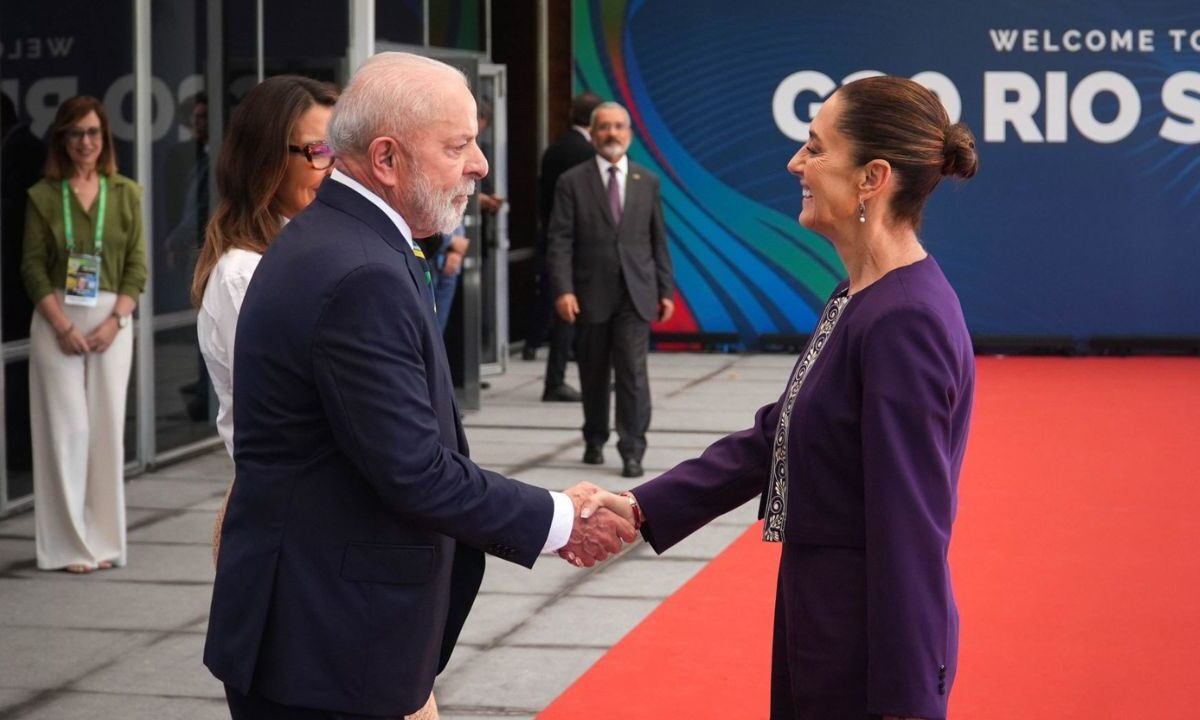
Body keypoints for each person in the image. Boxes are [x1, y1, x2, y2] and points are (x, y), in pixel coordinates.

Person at [203, 52, 634, 719]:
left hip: (317, 633)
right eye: (459, 144)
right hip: (326, 646)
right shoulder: (358, 271)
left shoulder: (344, 240)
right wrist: (557, 518)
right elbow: (414, 471)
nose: (481, 164)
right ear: (386, 158)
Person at [582, 76, 979, 719]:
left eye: (816, 148)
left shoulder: (906, 320)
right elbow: (780, 435)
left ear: (872, 177)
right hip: (820, 627)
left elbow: (911, 531)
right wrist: (639, 508)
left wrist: (909, 702)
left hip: (862, 658)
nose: (796, 162)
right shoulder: (861, 297)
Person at [190, 75, 339, 561]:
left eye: (337, 151)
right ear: (266, 160)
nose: (332, 169)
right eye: (317, 151)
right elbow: (290, 416)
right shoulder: (244, 275)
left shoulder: (303, 249)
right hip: (291, 527)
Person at [20, 96, 147, 574]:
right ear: (62, 140)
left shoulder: (127, 193)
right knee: (65, 433)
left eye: (93, 133)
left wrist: (116, 321)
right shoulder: (43, 196)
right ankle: (69, 545)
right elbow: (31, 268)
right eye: (76, 134)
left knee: (107, 433)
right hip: (58, 319)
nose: (86, 143)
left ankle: (104, 541)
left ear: (105, 137)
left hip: (113, 318)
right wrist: (63, 326)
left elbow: (138, 265)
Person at [546, 101, 674, 479]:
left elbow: (657, 240)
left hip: (636, 294)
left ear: (629, 135)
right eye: (604, 127)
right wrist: (563, 289)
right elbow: (559, 240)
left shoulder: (646, 181)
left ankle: (632, 449)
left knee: (633, 373)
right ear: (594, 132)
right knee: (593, 370)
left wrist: (665, 289)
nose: (612, 134)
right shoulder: (572, 181)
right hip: (589, 293)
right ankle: (594, 437)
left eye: (619, 127)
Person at [526, 91, 602, 403]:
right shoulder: (585, 154)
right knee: (571, 316)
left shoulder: (555, 147)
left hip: (553, 238)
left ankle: (538, 352)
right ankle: (557, 379)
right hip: (578, 246)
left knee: (555, 305)